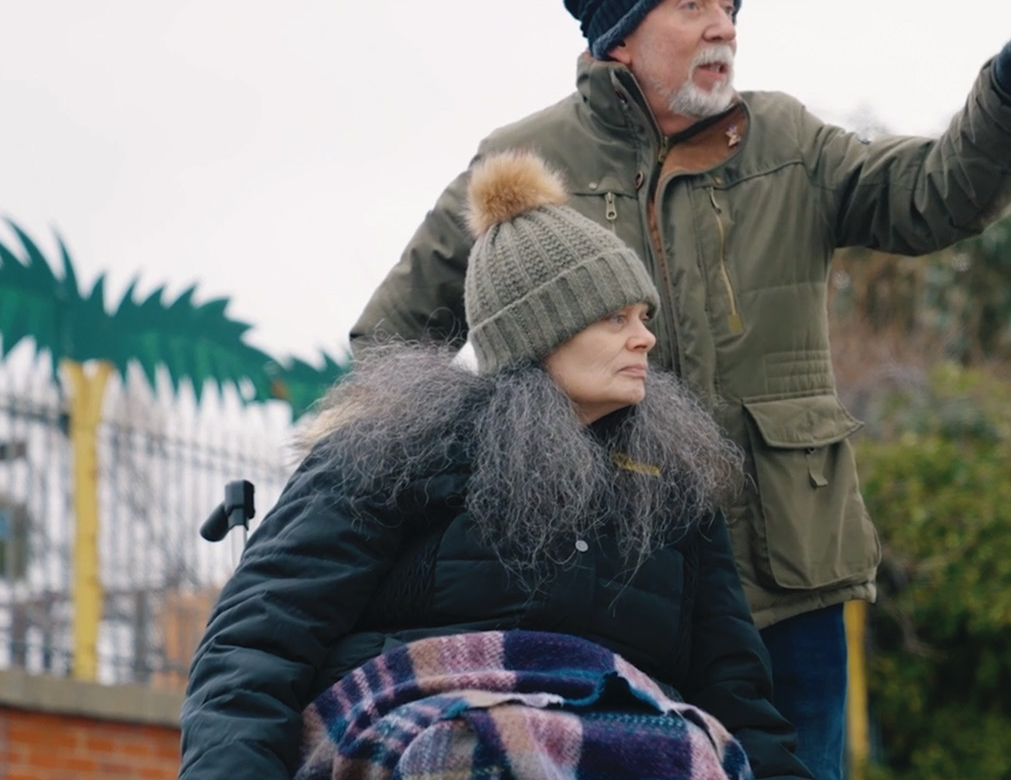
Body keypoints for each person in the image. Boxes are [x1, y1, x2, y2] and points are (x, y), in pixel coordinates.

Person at [349, 0, 1011, 777]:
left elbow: (936, 195)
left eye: (730, 7)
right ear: (619, 36)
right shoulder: (524, 160)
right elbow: (391, 343)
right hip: (616, 586)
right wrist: (494, 467)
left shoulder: (786, 139)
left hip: (789, 580)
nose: (723, 28)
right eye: (692, 5)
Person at [180, 150, 812, 780]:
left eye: (642, 318)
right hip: (429, 732)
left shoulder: (673, 491)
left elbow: (740, 700)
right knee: (492, 745)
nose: (644, 338)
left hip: (625, 741)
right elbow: (256, 647)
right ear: (541, 331)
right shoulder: (393, 451)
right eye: (615, 318)